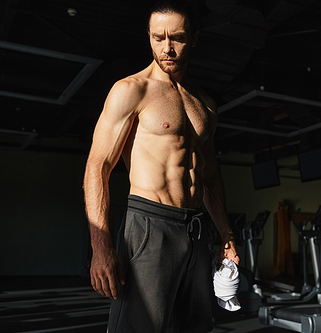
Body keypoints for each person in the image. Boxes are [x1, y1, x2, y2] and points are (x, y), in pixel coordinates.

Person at [83, 0, 239, 332]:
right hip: (150, 223)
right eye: (158, 38)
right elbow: (98, 166)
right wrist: (101, 246)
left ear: (194, 38)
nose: (166, 47)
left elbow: (210, 175)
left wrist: (227, 237)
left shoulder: (204, 104)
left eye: (177, 38)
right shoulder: (131, 90)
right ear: (149, 37)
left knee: (194, 326)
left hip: (196, 228)